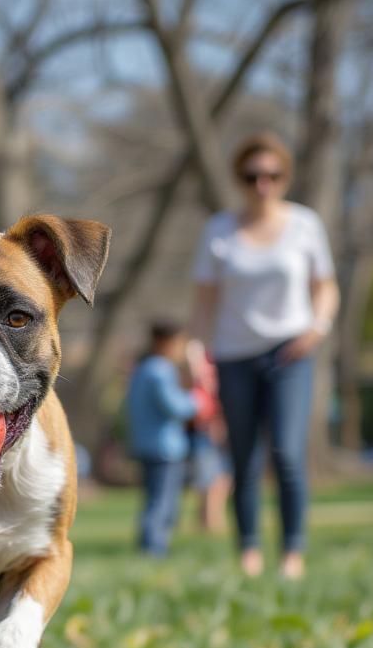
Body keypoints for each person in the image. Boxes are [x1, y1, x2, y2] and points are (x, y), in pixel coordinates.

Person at [188, 131, 340, 579]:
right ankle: (249, 552)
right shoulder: (219, 230)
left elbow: (326, 287)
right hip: (234, 355)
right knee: (244, 458)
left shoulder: (305, 225)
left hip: (291, 352)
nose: (263, 184)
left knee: (289, 454)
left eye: (272, 175)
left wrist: (318, 328)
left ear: (284, 177)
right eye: (253, 175)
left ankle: (293, 553)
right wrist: (196, 350)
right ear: (240, 178)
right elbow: (203, 303)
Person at [126, 321, 199, 557]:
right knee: (163, 501)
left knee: (154, 497)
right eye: (179, 344)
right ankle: (154, 548)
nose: (181, 350)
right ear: (164, 343)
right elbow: (175, 406)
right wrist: (196, 402)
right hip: (164, 447)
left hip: (146, 443)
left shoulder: (142, 368)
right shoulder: (160, 371)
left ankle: (152, 544)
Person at [184, 339, 232, 534]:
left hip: (216, 427)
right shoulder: (197, 355)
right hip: (203, 428)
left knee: (220, 479)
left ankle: (212, 519)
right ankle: (209, 521)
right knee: (210, 480)